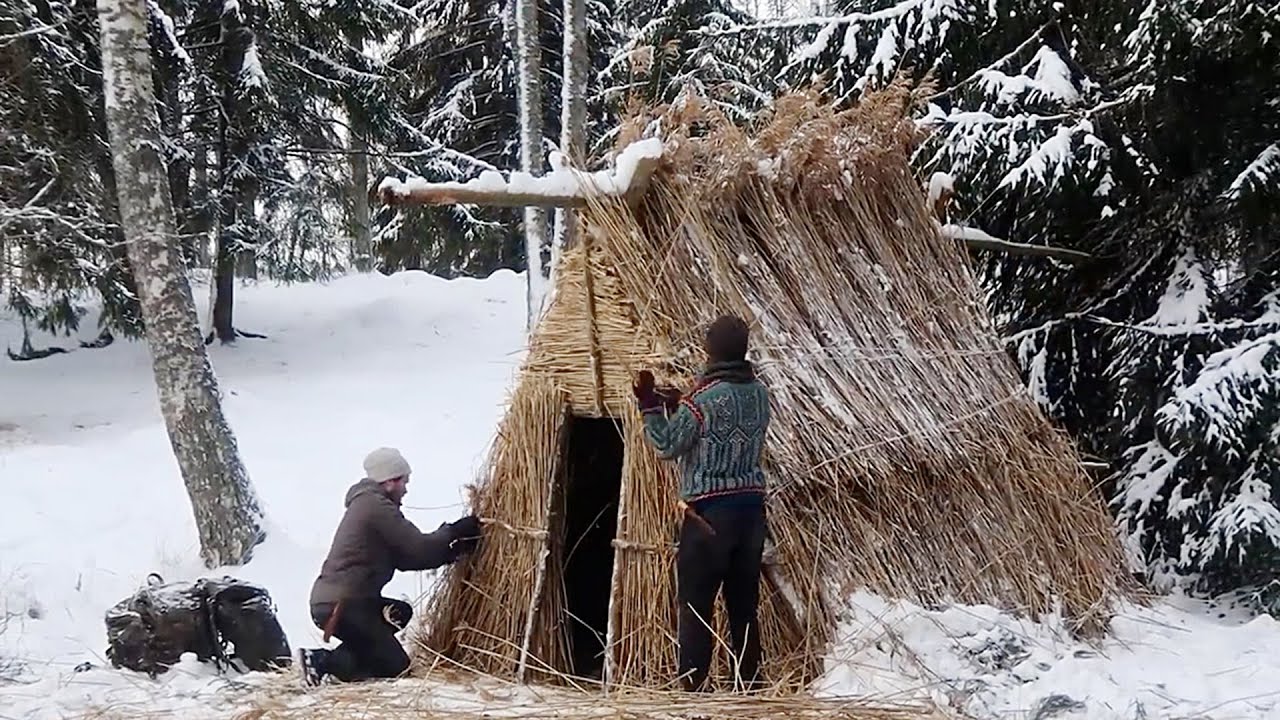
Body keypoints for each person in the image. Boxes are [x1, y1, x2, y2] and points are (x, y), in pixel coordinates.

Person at [632, 314, 771, 693]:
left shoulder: (703, 400)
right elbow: (725, 422)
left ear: (712, 351)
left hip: (708, 517)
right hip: (751, 515)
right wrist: (680, 401)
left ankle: (694, 688)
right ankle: (749, 686)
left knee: (695, 605)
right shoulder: (760, 394)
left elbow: (666, 444)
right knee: (743, 607)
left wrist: (648, 404)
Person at [297, 447, 482, 685]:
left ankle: (337, 664)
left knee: (398, 613)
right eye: (404, 481)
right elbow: (419, 547)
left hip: (345, 601)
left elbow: (409, 559)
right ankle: (322, 661)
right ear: (390, 481)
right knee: (397, 668)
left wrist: (452, 551)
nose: (406, 488)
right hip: (343, 605)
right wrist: (453, 531)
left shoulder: (370, 505)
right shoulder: (374, 507)